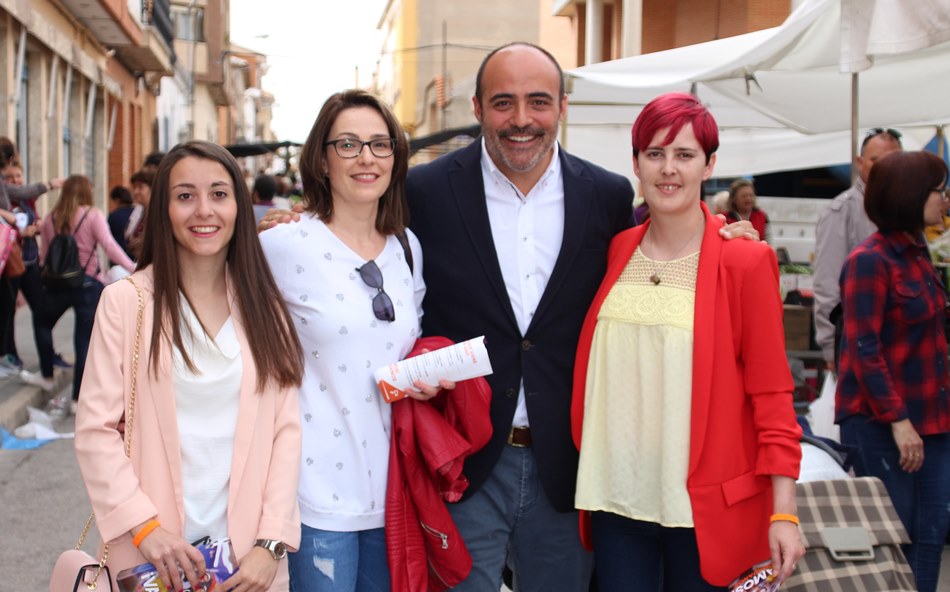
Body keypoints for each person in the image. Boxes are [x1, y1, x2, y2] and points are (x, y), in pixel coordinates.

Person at [259, 43, 757, 592]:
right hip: (464, 469)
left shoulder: (608, 195)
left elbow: (661, 244)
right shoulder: (423, 191)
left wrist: (723, 234)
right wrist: (298, 220)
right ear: (476, 107)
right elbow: (359, 224)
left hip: (567, 471)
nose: (521, 119)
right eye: (504, 102)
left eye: (538, 102)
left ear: (562, 106)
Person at [571, 92, 804, 591]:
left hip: (706, 510)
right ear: (635, 163)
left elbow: (771, 393)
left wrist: (784, 512)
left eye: (684, 154)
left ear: (709, 164)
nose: (668, 169)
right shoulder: (620, 249)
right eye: (654, 154)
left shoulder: (744, 261)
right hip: (616, 498)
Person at [75, 140, 305, 591]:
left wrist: (270, 544)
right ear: (163, 208)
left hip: (247, 566)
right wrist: (145, 528)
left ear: (239, 206)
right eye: (185, 196)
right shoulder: (127, 303)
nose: (204, 210)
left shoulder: (264, 307)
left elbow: (286, 431)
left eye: (219, 194)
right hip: (151, 558)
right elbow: (96, 429)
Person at [258, 90, 445, 592]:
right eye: (348, 144)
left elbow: (405, 347)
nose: (367, 157)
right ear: (321, 160)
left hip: (395, 489)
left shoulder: (408, 247)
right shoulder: (281, 244)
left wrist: (422, 380)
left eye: (380, 144)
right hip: (315, 491)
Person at [835, 150, 950, 592]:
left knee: (930, 536)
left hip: (932, 422)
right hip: (882, 424)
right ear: (911, 194)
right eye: (938, 191)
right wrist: (899, 421)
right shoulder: (870, 260)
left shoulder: (919, 254)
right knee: (889, 538)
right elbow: (864, 349)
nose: (944, 199)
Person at [23, 176, 135, 411]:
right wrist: (135, 268)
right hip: (87, 285)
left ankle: (47, 376)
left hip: (56, 285)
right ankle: (76, 401)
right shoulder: (92, 215)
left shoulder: (51, 218)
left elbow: (43, 258)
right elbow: (109, 246)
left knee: (41, 321)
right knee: (83, 341)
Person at [813, 128, 902, 368]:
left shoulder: (904, 209)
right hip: (857, 345)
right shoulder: (842, 210)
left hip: (898, 344)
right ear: (860, 162)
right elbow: (827, 282)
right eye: (876, 160)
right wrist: (831, 346)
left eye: (894, 160)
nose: (886, 167)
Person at [126, 167, 156, 261]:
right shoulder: (141, 211)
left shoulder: (161, 214)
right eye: (134, 187)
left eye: (140, 187)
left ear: (153, 188)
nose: (135, 192)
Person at [107, 185, 135, 259]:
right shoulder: (137, 212)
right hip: (136, 256)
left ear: (117, 200)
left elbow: (108, 238)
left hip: (118, 256)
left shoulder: (113, 216)